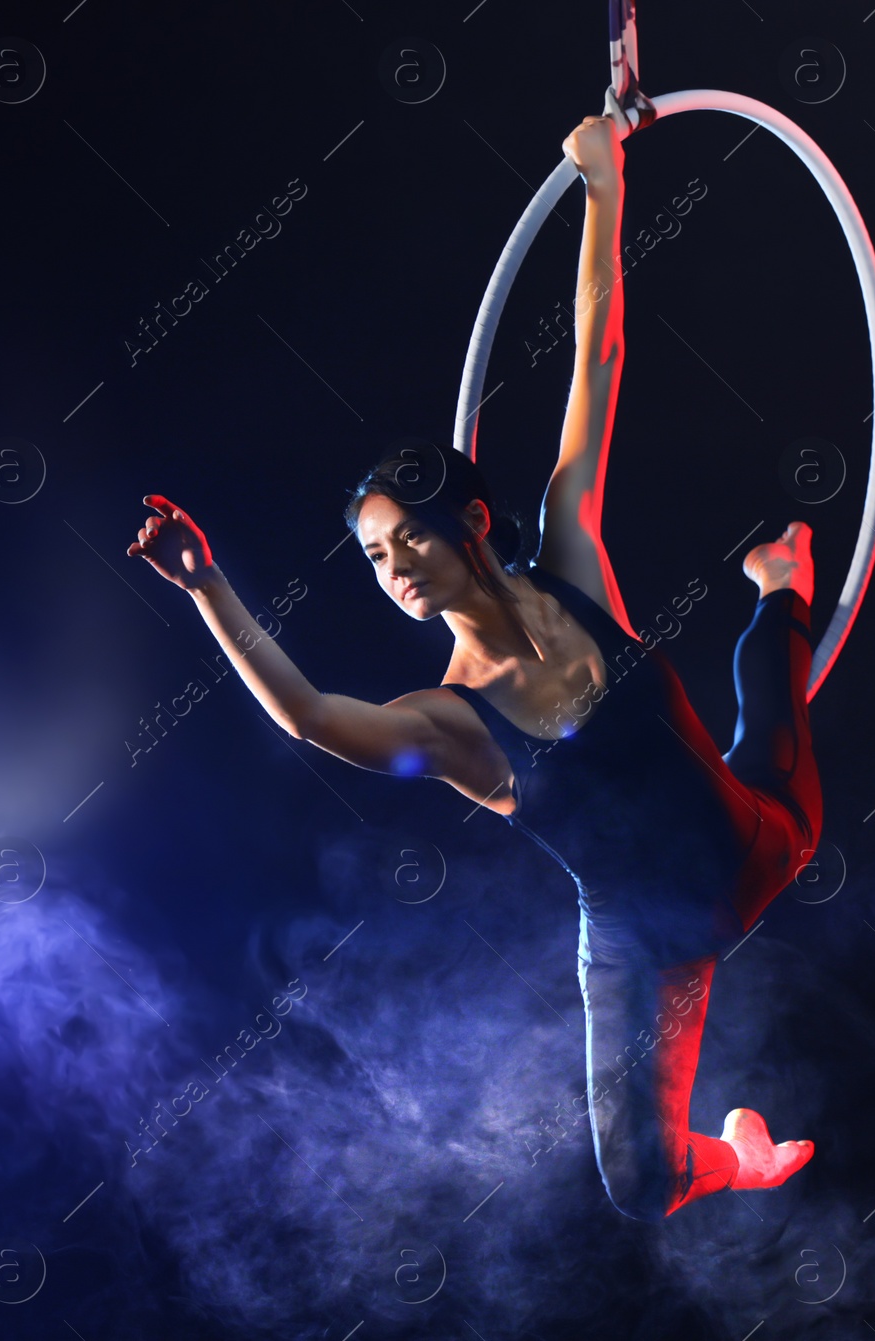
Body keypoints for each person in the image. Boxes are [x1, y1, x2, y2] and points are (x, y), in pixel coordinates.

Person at [128, 115, 820, 1221]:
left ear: (473, 525)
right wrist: (206, 582)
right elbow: (307, 715)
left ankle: (778, 589)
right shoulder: (451, 724)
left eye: (409, 537)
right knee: (640, 1186)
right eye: (372, 555)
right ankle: (743, 1152)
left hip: (755, 842)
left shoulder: (571, 550)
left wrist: (604, 184)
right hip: (647, 947)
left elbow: (596, 352)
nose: (393, 566)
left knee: (771, 705)